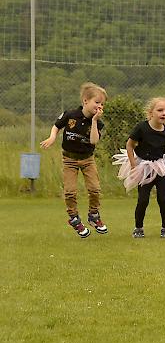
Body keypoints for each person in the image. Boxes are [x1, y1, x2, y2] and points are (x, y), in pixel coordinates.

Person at [40, 82, 108, 238]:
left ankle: (94, 215)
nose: (99, 106)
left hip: (88, 160)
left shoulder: (98, 122)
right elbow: (57, 126)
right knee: (70, 192)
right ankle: (74, 218)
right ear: (85, 101)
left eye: (102, 104)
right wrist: (52, 137)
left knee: (95, 189)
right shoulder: (70, 115)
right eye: (96, 102)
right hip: (69, 160)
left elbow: (93, 141)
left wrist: (95, 121)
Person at [112, 97, 165, 238]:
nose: (163, 113)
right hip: (144, 167)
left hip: (161, 167)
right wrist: (133, 165)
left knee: (163, 199)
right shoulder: (142, 128)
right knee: (143, 199)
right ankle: (138, 228)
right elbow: (129, 145)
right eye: (160, 110)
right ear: (151, 112)